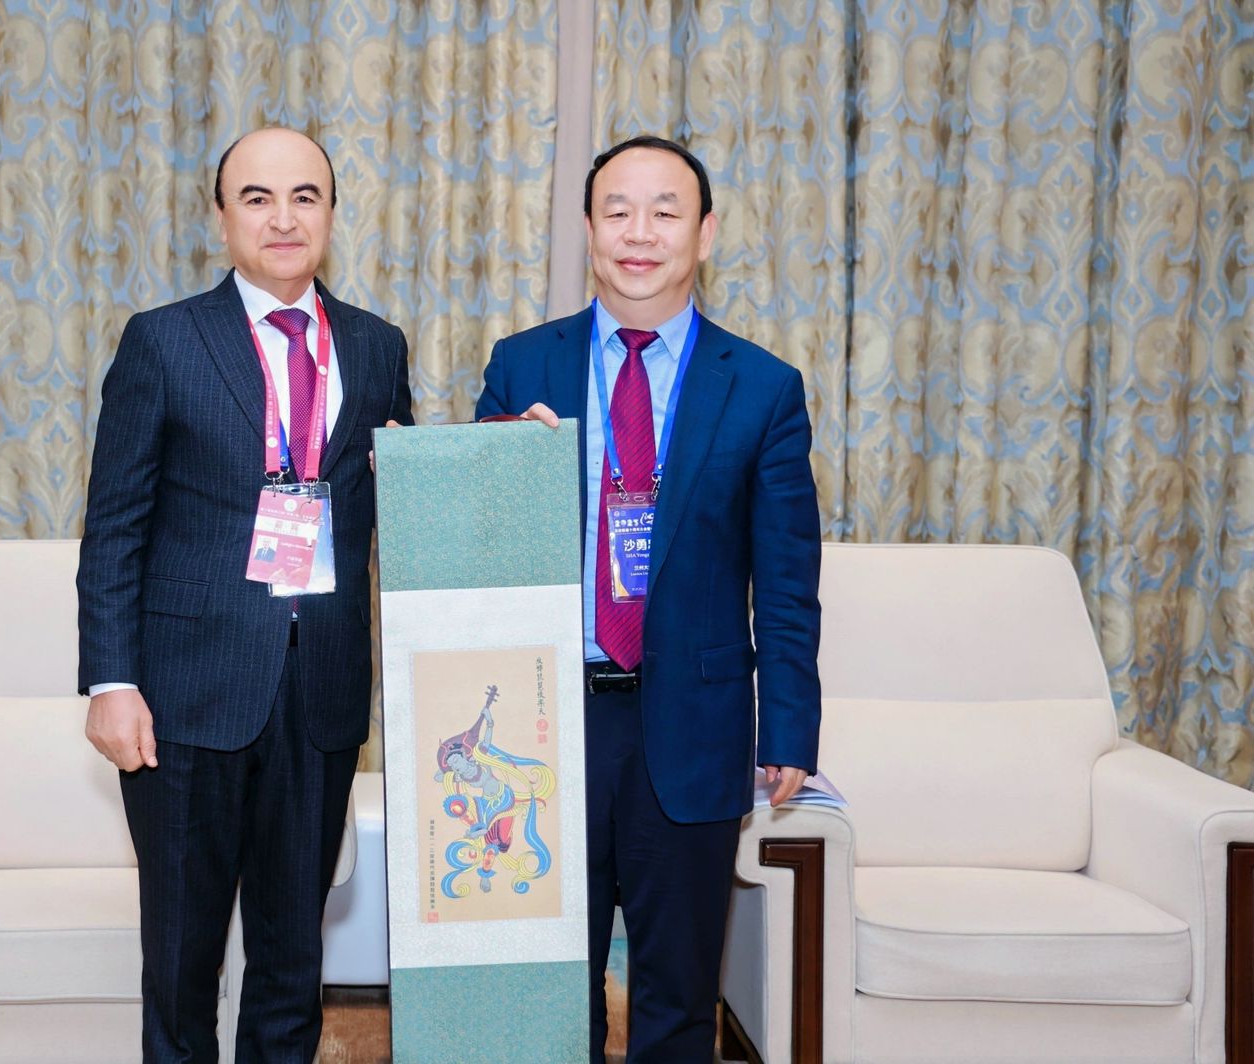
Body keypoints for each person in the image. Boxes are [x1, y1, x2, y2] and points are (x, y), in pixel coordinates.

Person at [475, 135, 822, 1062]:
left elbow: (788, 580)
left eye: (665, 212)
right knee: (552, 995)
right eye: (617, 211)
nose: (640, 233)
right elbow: (480, 555)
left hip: (694, 725)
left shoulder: (762, 387)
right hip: (548, 725)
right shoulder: (522, 366)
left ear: (704, 234)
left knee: (676, 1001)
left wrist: (789, 725)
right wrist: (497, 464)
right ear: (588, 231)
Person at [76, 126, 413, 1063]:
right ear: (222, 217)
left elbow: (404, 494)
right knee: (182, 965)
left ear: (332, 214)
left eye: (306, 196)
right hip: (185, 698)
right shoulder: (163, 340)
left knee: (291, 962)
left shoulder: (377, 347)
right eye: (258, 198)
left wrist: (506, 451)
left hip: (322, 696)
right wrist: (111, 681)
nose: (283, 217)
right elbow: (115, 526)